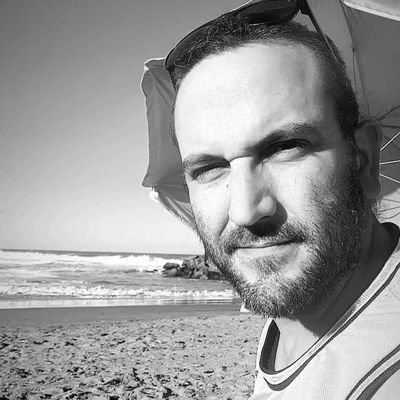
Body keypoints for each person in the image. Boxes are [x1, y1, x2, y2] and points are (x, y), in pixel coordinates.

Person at [164, 7, 400, 400]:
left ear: (362, 160)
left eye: (284, 148)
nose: (245, 210)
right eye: (209, 169)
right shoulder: (293, 315)